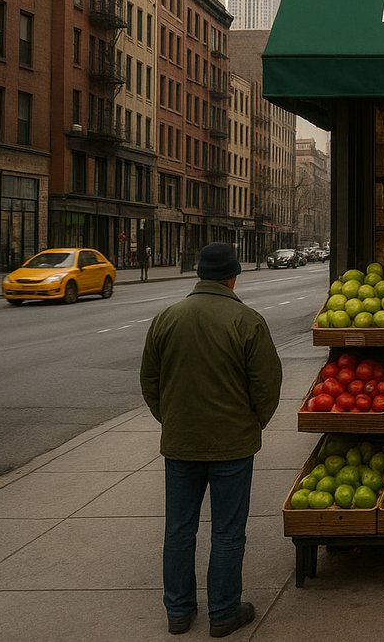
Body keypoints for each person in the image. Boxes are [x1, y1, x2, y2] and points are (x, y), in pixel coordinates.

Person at [140, 242, 282, 637]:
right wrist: (253, 423)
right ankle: (223, 612)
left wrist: (169, 418)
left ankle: (179, 612)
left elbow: (149, 380)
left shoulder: (167, 318)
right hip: (232, 445)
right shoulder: (247, 320)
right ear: (234, 275)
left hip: (181, 442)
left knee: (179, 529)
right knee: (228, 531)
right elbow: (267, 385)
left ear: (199, 273)